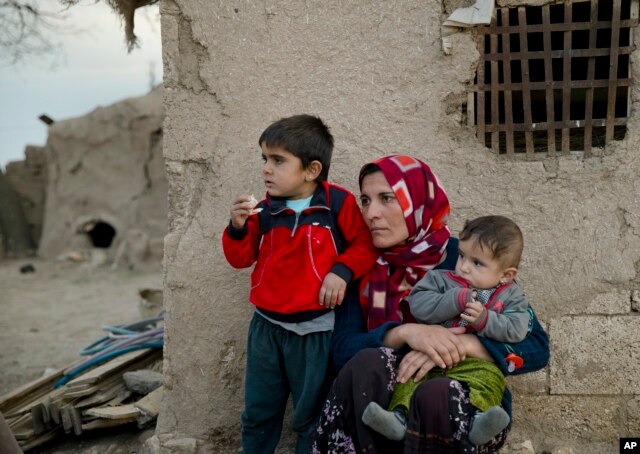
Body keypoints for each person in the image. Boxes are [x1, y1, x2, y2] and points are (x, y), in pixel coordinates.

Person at [311, 154, 550, 454]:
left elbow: (537, 349)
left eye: (387, 198)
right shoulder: (360, 266)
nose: (371, 213)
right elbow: (342, 350)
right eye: (366, 200)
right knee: (366, 364)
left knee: (437, 393)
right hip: (383, 402)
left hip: (457, 404)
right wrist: (407, 334)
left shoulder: (463, 258)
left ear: (419, 202)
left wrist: (458, 347)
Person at [221, 114, 378, 454]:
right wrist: (236, 227)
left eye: (278, 161)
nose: (266, 169)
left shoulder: (337, 204)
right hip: (266, 328)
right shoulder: (264, 210)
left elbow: (365, 246)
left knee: (310, 416)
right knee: (258, 412)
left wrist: (341, 271)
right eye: (264, 159)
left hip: (315, 332)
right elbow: (240, 258)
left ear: (311, 170)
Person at [362, 215, 531, 445]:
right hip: (431, 356)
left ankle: (478, 420)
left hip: (475, 362)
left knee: (489, 379)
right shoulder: (442, 280)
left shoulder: (512, 296)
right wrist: (453, 299)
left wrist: (485, 320)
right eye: (462, 256)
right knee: (409, 375)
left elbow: (517, 329)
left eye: (477, 263)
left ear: (506, 274)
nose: (464, 267)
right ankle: (398, 417)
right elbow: (418, 305)